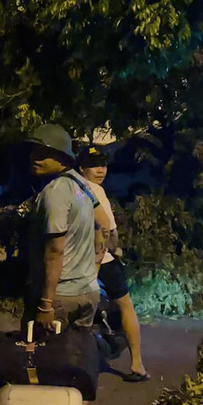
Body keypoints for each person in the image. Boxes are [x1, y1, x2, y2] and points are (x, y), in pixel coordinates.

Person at [25, 124, 112, 333]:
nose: (36, 158)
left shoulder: (55, 192)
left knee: (42, 359)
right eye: (34, 151)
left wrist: (46, 303)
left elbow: (55, 250)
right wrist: (92, 272)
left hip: (60, 296)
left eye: (45, 154)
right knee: (77, 357)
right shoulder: (81, 186)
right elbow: (105, 224)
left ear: (63, 157)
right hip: (87, 292)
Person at [78, 145, 149, 382]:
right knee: (125, 306)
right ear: (82, 168)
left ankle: (76, 360)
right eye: (94, 165)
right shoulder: (95, 190)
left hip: (80, 260)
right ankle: (137, 363)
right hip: (101, 261)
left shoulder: (73, 188)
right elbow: (109, 228)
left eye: (103, 165)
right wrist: (112, 248)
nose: (100, 170)